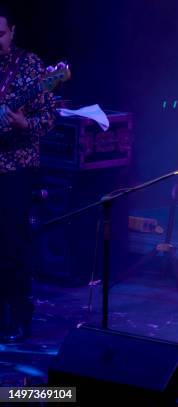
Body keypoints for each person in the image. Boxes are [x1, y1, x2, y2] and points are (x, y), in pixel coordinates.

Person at [0, 6, 55, 342]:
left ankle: (20, 318)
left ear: (13, 31)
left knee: (12, 245)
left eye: (0, 34)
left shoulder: (31, 67)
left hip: (16, 168)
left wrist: (26, 123)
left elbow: (49, 116)